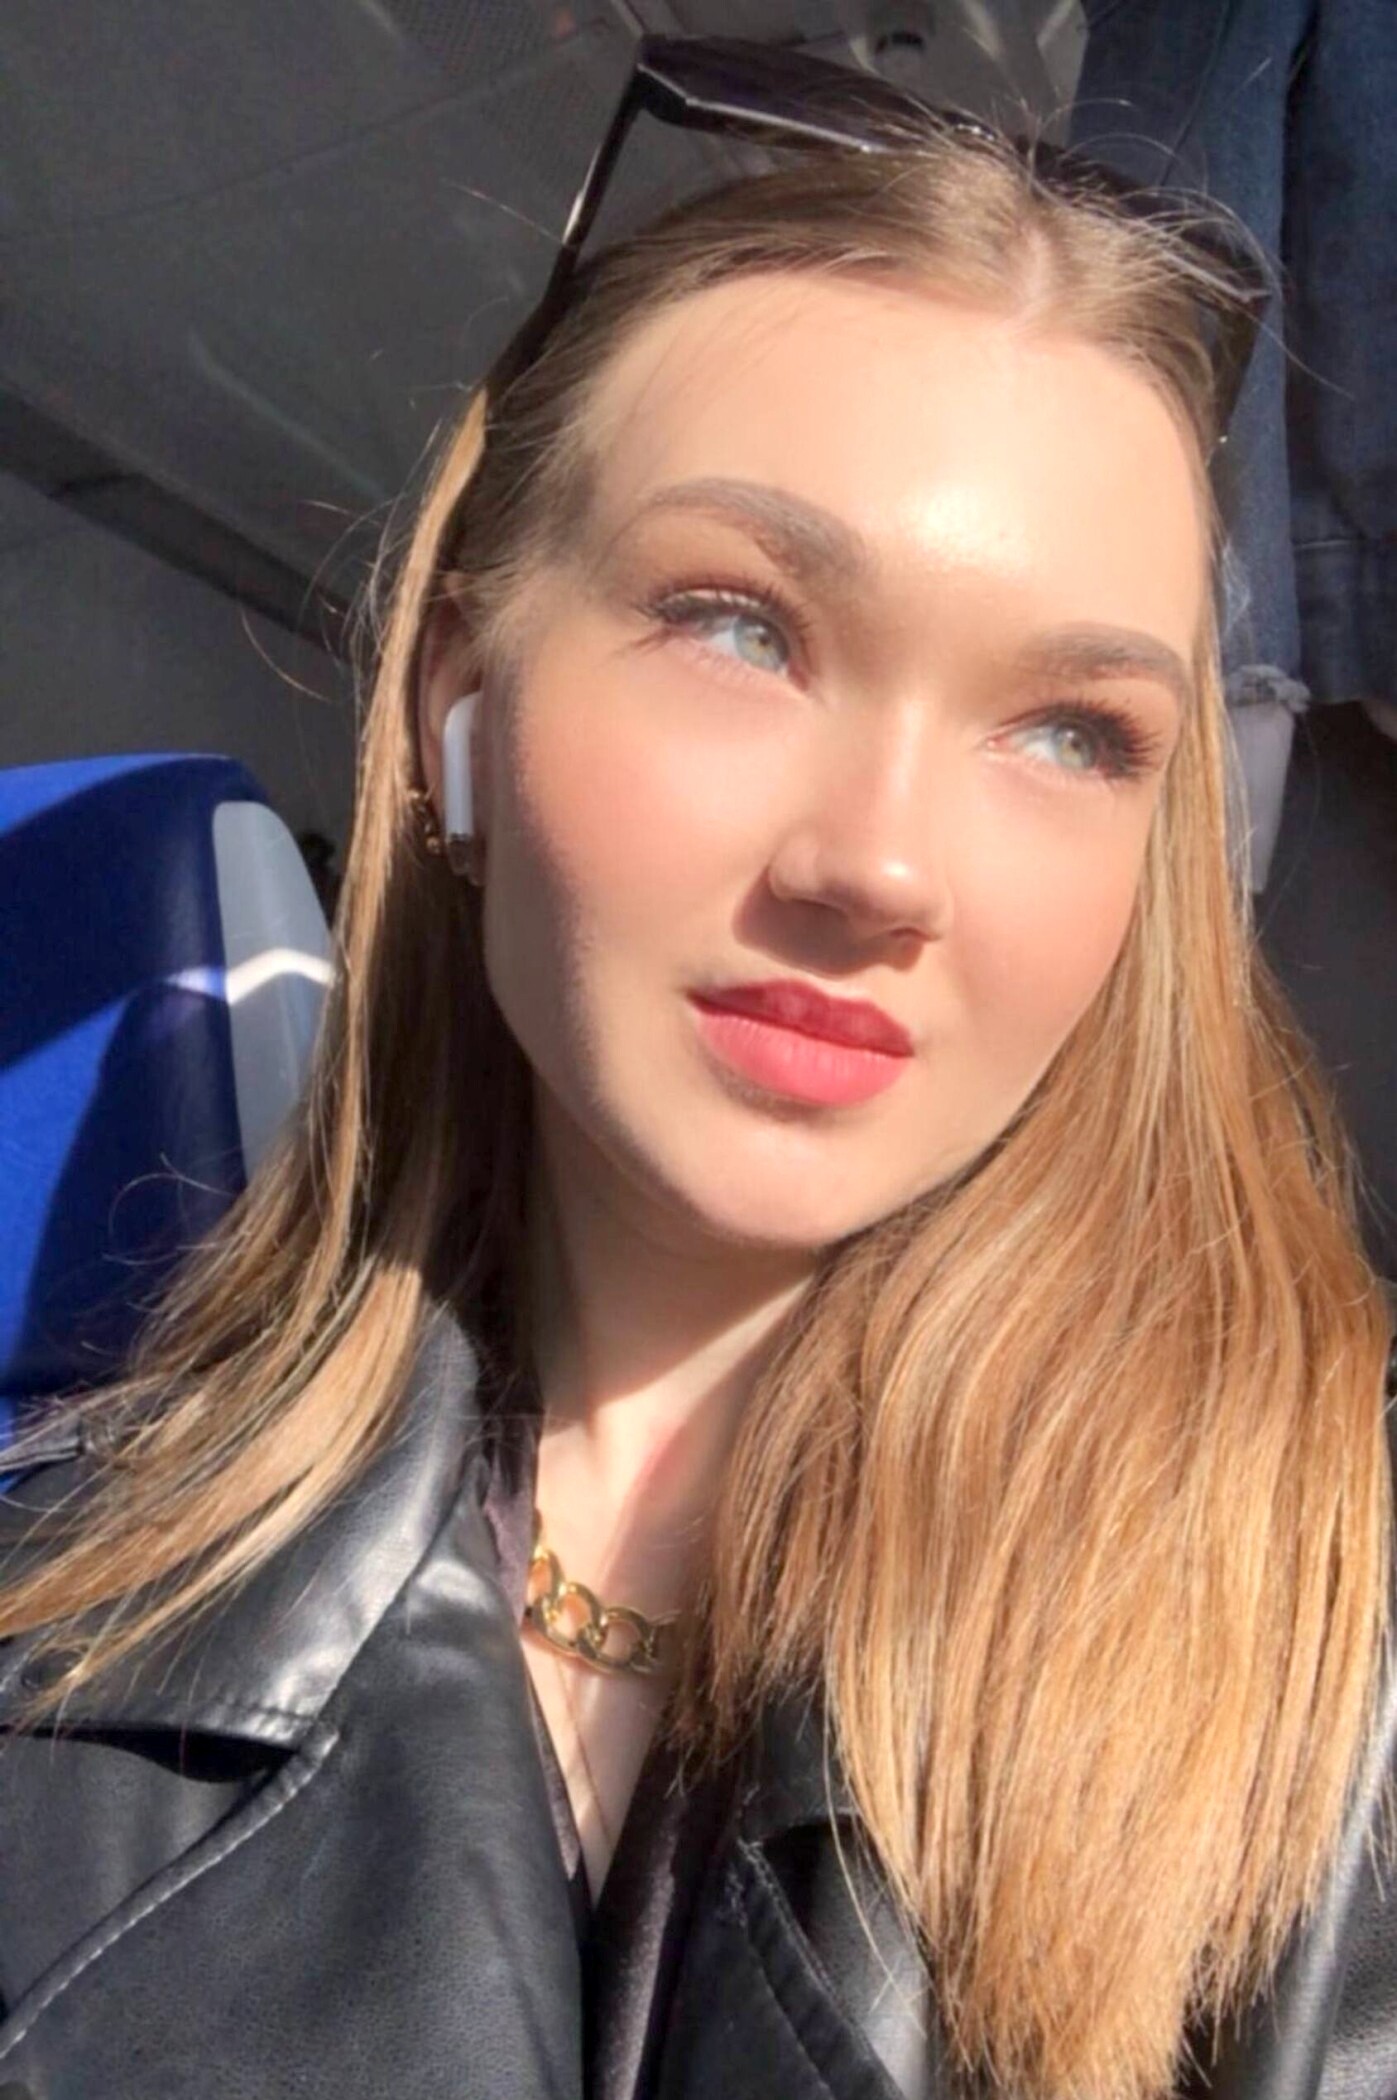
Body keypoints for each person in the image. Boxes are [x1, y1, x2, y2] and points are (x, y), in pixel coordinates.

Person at [0, 36, 1392, 2100]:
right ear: (456, 704)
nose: (880, 866)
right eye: (742, 627)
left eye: (1070, 732)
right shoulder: (58, 1641)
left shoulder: (1341, 1670)